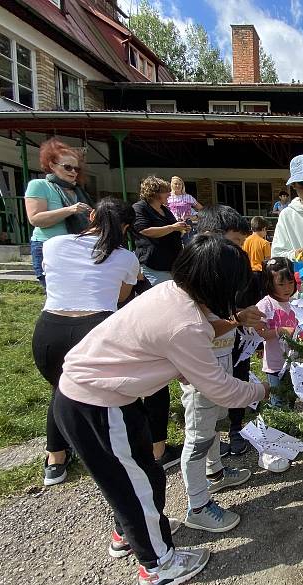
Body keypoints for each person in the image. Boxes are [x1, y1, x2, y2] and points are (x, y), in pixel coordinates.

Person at [54, 234, 270, 585]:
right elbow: (220, 388)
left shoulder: (174, 292)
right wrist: (262, 391)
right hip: (98, 405)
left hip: (101, 398)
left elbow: (192, 337)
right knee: (137, 484)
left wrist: (231, 322)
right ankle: (157, 567)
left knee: (137, 475)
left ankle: (129, 533)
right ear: (218, 284)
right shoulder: (184, 324)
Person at [32, 197, 140, 486]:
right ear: (126, 227)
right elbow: (120, 297)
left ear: (92, 215)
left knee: (61, 387)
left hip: (49, 330)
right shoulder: (126, 257)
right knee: (104, 400)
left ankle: (55, 457)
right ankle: (108, 455)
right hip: (95, 328)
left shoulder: (53, 244)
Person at [178, 243, 259, 534]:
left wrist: (238, 319)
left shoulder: (215, 297)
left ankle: (216, 472)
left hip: (218, 368)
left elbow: (218, 327)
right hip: (200, 376)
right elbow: (208, 330)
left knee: (212, 427)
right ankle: (197, 506)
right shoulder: (192, 304)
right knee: (198, 436)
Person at [195, 205, 263, 458]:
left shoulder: (239, 265)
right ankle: (210, 447)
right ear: (212, 235)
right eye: (235, 241)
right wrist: (237, 318)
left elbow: (248, 297)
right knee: (205, 400)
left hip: (236, 341)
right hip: (208, 348)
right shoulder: (196, 274)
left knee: (239, 376)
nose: (240, 249)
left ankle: (236, 428)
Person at [133, 176, 191, 469]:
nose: (170, 195)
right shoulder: (141, 209)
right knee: (163, 308)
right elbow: (145, 231)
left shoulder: (165, 209)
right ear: (156, 192)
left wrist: (179, 228)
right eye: (166, 191)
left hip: (171, 265)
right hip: (154, 266)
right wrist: (172, 227)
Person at [24, 138, 92, 288]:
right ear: (52, 166)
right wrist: (69, 210)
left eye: (77, 168)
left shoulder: (77, 191)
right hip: (48, 248)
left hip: (76, 248)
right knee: (57, 295)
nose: (73, 172)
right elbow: (35, 219)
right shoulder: (39, 185)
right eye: (68, 167)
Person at [255, 257, 299, 473]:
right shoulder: (266, 305)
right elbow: (260, 332)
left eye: (289, 283)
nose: (286, 288)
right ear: (269, 283)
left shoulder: (297, 302)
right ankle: (273, 446)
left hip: (294, 364)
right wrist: (280, 330)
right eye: (280, 284)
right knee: (278, 404)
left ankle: (287, 439)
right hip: (275, 365)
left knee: (290, 402)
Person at [168, 176, 203, 243]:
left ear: (182, 185)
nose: (177, 185)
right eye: (175, 184)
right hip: (173, 224)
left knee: (188, 244)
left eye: (179, 184)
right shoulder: (168, 197)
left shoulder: (188, 197)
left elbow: (203, 210)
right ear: (171, 185)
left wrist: (194, 217)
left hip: (187, 225)